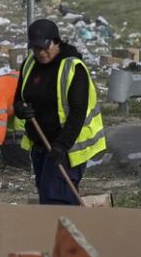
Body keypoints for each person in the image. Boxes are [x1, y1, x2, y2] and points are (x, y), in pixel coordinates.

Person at [13, 19, 106, 205]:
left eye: (44, 47)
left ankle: (65, 232)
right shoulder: (30, 64)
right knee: (46, 192)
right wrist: (21, 110)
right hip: (40, 143)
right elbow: (19, 97)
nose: (40, 52)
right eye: (35, 48)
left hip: (66, 147)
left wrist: (61, 146)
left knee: (57, 197)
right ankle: (56, 232)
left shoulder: (74, 68)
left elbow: (78, 113)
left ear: (56, 41)